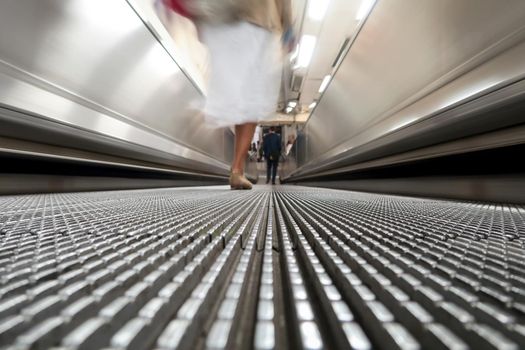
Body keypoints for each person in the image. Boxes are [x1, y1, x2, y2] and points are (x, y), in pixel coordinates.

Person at [197, 0, 293, 190]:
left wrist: (202, 15)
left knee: (238, 92)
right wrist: (288, 25)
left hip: (224, 18)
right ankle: (237, 168)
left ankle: (238, 168)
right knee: (252, 95)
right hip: (256, 18)